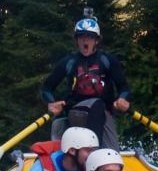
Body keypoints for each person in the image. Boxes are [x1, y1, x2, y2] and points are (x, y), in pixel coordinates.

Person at [42, 12, 131, 149]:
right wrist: (51, 103)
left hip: (103, 114)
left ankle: (98, 155)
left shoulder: (107, 60)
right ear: (76, 40)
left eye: (89, 37)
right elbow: (46, 88)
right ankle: (84, 153)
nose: (85, 41)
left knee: (113, 154)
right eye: (81, 37)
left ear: (96, 41)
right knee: (94, 105)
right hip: (74, 112)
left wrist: (122, 99)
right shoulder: (69, 62)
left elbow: (124, 87)